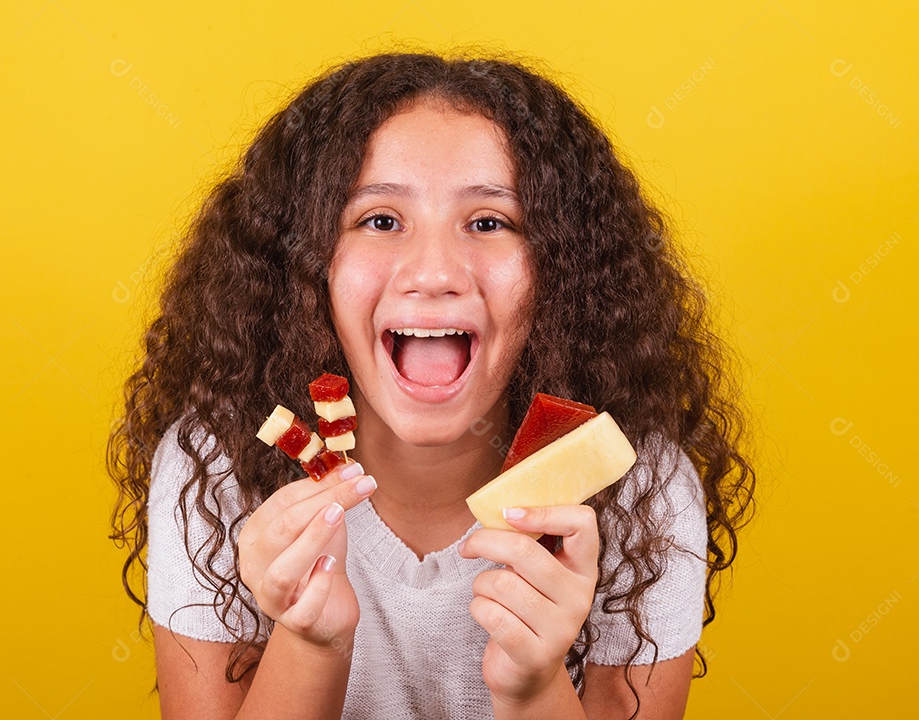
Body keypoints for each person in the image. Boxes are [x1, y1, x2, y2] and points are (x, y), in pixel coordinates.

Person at [108, 50, 755, 720]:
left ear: (561, 270)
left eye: (489, 222)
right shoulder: (217, 468)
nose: (436, 271)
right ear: (305, 266)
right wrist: (310, 641)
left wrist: (534, 687)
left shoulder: (637, 490)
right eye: (380, 220)